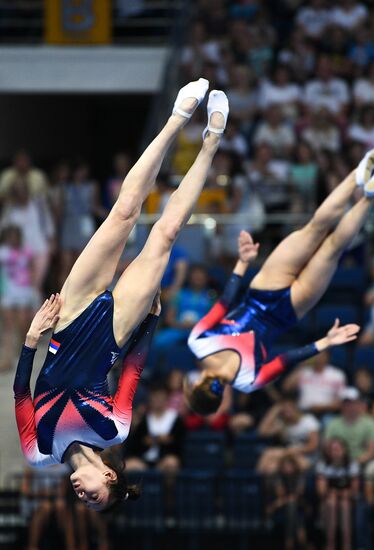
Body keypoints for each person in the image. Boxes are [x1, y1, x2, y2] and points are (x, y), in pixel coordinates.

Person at [13, 78, 230, 511]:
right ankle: (206, 138)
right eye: (93, 497)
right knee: (160, 232)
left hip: (68, 319)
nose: (81, 495)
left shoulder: (38, 453)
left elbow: (21, 392)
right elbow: (133, 366)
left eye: (82, 501)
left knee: (125, 214)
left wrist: (32, 339)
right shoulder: (115, 430)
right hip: (115, 332)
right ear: (109, 476)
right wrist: (150, 319)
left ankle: (183, 123)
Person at [184, 146, 374, 415]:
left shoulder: (249, 382)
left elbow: (287, 358)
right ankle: (358, 173)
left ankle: (370, 196)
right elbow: (225, 302)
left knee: (332, 249)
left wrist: (325, 342)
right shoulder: (197, 342)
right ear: (199, 381)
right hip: (262, 290)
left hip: (289, 311)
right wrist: (243, 262)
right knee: (315, 228)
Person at [123, 385, 186, 473]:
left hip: (164, 458)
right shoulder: (145, 419)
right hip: (144, 460)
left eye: (160, 397)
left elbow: (180, 442)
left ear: (166, 399)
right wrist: (145, 441)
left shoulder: (176, 418)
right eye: (155, 397)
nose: (157, 400)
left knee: (171, 463)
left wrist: (168, 440)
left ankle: (168, 487)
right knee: (128, 465)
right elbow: (135, 442)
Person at [0, 225, 35, 371]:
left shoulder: (26, 251)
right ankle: (6, 358)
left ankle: (21, 353)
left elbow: (31, 267)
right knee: (7, 328)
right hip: (8, 292)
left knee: (22, 325)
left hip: (23, 292)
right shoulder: (3, 252)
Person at [316, 438, 360, 550]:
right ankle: (330, 544)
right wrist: (332, 493)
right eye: (331, 450)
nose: (334, 452)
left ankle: (347, 544)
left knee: (344, 504)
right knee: (332, 503)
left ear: (344, 450)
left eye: (337, 449)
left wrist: (344, 493)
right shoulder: (323, 464)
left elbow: (354, 490)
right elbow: (321, 491)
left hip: (347, 500)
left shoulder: (351, 463)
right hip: (327, 501)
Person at [257, 399, 320, 474]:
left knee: (271, 454)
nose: (287, 411)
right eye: (284, 410)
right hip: (288, 454)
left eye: (289, 409)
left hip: (307, 457)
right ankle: (255, 480)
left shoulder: (308, 421)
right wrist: (275, 410)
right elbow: (262, 432)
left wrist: (295, 450)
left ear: (296, 409)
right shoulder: (282, 424)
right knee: (270, 466)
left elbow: (313, 446)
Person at [282, 350, 346, 418]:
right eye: (315, 355)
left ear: (327, 357)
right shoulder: (304, 372)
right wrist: (301, 366)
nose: (318, 357)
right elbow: (286, 387)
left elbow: (340, 402)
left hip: (326, 414)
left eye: (321, 355)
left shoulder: (336, 375)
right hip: (303, 413)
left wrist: (320, 407)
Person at [325, 387, 374, 465]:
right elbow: (327, 449)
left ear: (359, 404)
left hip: (362, 463)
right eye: (346, 403)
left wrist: (354, 464)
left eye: (352, 403)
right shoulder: (333, 424)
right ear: (342, 405)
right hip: (338, 463)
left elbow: (371, 452)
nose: (349, 406)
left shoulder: (369, 423)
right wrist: (341, 463)